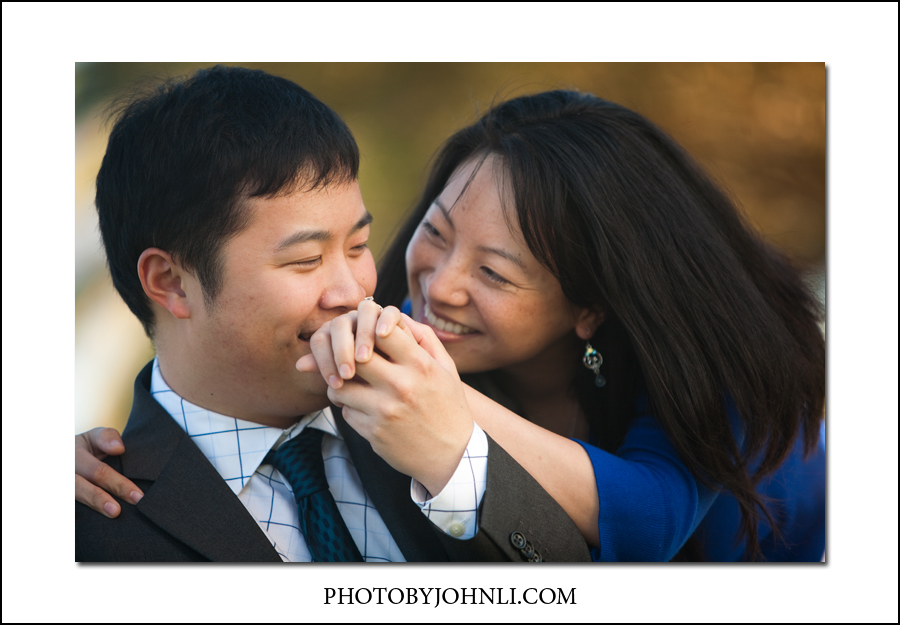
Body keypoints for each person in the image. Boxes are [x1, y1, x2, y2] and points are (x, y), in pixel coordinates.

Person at [78, 87, 826, 562]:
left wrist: (447, 424)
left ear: (590, 307)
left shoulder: (709, 378)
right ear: (168, 282)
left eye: (359, 246)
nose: (426, 288)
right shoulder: (85, 517)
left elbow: (636, 530)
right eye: (431, 233)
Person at [74, 65, 590, 562]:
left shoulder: (443, 405)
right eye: (305, 260)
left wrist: (458, 467)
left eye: (358, 245)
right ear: (171, 282)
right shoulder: (83, 531)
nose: (353, 292)